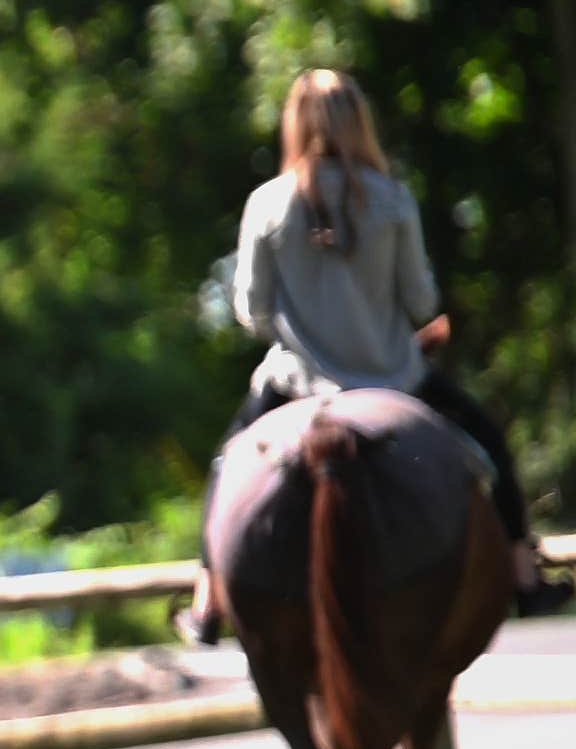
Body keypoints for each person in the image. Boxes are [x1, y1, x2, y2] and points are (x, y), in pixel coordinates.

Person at [187, 67, 553, 638]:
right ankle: (525, 577)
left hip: (296, 382)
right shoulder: (393, 199)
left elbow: (252, 310)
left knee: (226, 462)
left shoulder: (267, 203)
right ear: (360, 124)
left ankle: (207, 601)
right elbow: (421, 299)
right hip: (394, 379)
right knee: (490, 445)